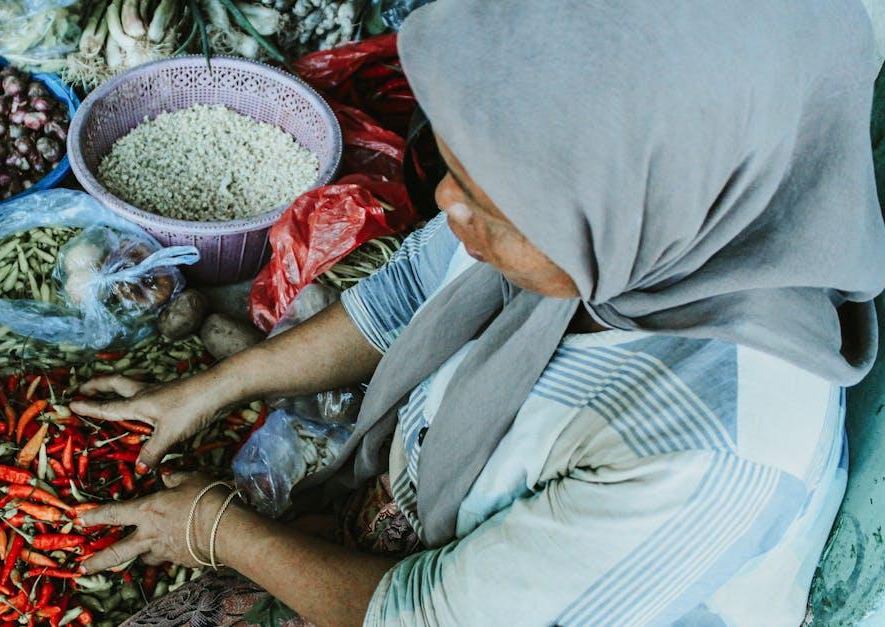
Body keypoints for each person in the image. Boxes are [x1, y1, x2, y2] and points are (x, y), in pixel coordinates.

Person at [69, 0, 885, 624]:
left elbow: (423, 614)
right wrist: (215, 388)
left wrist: (217, 531)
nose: (448, 208)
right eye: (454, 174)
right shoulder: (618, 222)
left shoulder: (707, 456)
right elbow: (403, 296)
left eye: (489, 208)